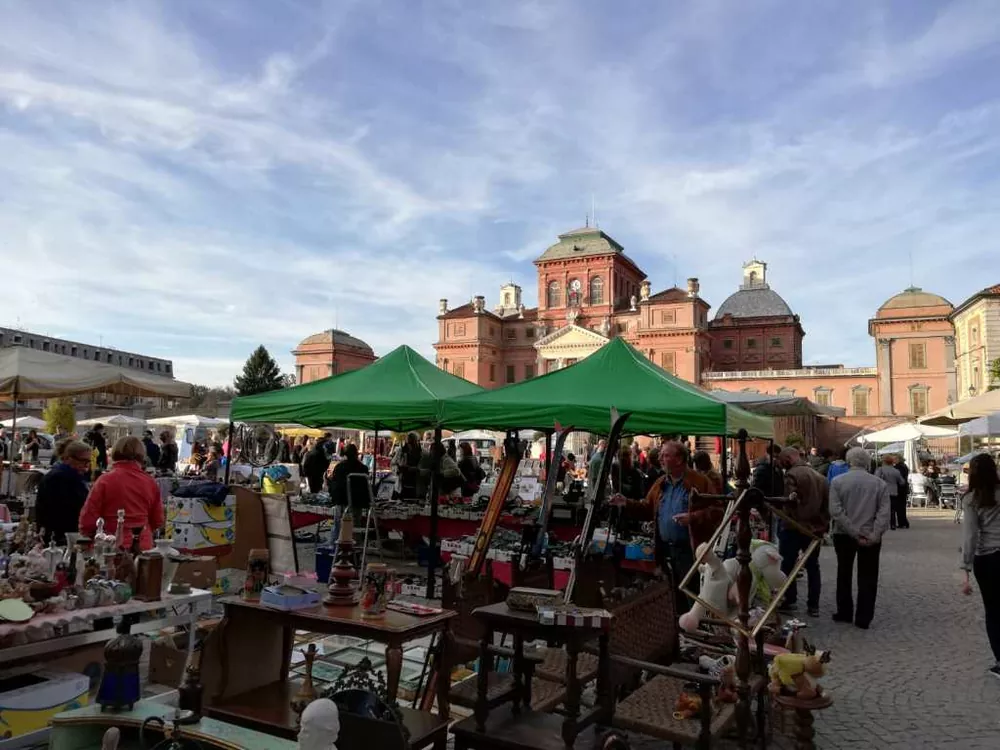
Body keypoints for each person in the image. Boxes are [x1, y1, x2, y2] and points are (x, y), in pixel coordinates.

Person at [619, 441, 711, 614]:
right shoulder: (661, 483)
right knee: (673, 599)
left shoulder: (699, 482)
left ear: (679, 459)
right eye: (661, 455)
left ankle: (697, 627)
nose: (660, 458)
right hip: (666, 551)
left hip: (689, 551)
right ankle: (679, 628)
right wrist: (626, 503)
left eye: (666, 455)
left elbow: (718, 511)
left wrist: (693, 518)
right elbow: (647, 508)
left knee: (693, 598)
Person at [829, 447, 891, 629]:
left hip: (843, 534)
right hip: (870, 533)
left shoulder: (837, 482)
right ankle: (864, 617)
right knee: (868, 576)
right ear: (867, 462)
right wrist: (875, 534)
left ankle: (845, 611)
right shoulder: (879, 484)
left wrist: (853, 531)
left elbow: (836, 511)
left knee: (844, 572)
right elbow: (884, 513)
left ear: (849, 461)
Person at [78, 436, 164, 551]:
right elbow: (158, 520)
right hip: (142, 544)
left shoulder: (105, 480)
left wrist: (90, 537)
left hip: (111, 544)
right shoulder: (150, 482)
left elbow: (88, 518)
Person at [960, 453, 1000, 678]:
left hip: (988, 557)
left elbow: (970, 535)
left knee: (993, 611)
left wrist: (965, 568)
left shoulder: (971, 499)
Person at [778, 447, 830, 617]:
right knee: (813, 566)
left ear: (789, 458)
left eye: (782, 461)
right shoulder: (820, 477)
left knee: (788, 564)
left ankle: (790, 600)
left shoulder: (791, 475)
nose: (781, 464)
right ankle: (813, 605)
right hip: (814, 529)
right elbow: (826, 506)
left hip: (794, 527)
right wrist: (823, 525)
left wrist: (787, 518)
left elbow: (789, 502)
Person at [36, 440, 92, 544]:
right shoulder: (59, 479)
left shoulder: (72, 477)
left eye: (88, 462)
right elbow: (66, 512)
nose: (86, 467)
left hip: (65, 536)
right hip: (60, 539)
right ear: (68, 459)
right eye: (83, 461)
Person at [875, 455, 906, 530]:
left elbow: (876, 479)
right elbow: (902, 482)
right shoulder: (896, 471)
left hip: (883, 491)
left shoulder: (880, 469)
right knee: (892, 509)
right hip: (893, 492)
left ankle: (882, 524)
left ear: (884, 462)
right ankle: (893, 524)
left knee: (881, 508)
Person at [894, 454, 911, 529]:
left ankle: (902, 522)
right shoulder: (904, 466)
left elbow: (898, 478)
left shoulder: (898, 467)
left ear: (898, 459)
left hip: (899, 488)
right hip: (904, 488)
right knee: (902, 506)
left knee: (899, 506)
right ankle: (904, 522)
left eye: (895, 459)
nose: (894, 460)